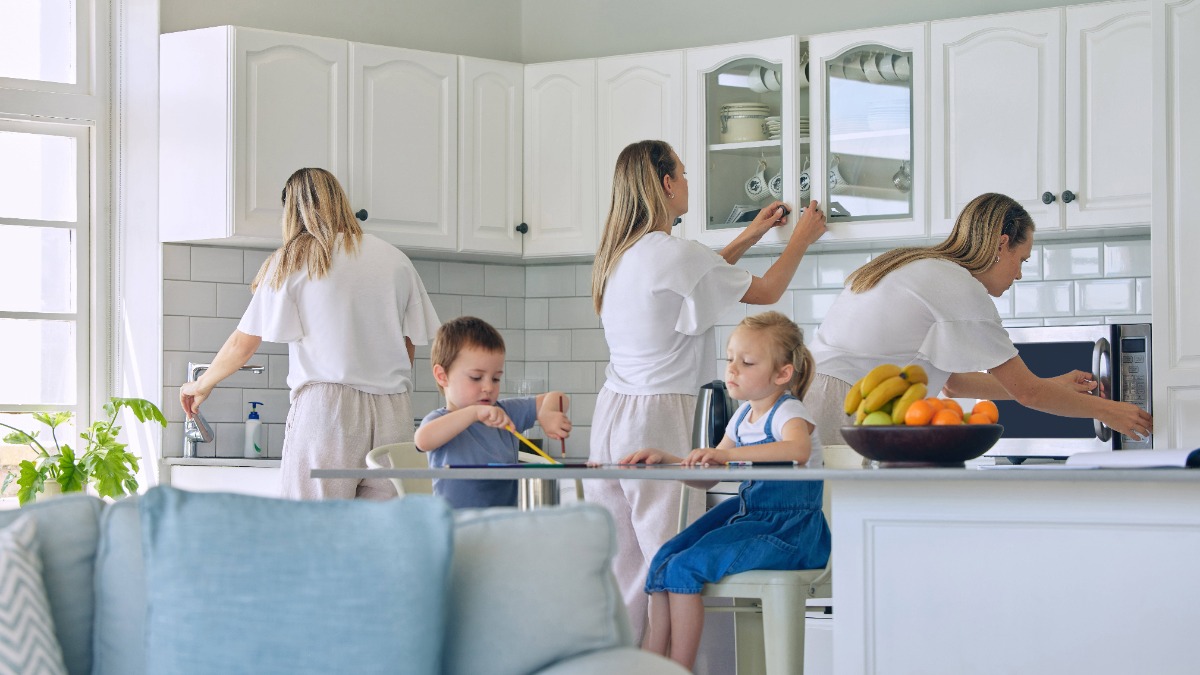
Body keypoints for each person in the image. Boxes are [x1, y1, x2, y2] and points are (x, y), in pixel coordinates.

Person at [588, 139, 827, 642]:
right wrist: (799, 238)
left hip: (611, 413)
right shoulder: (673, 255)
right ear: (668, 184)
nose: (688, 181)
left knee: (624, 567)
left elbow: (705, 272)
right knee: (672, 558)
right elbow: (764, 292)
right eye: (684, 172)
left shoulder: (620, 255)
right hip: (661, 412)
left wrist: (753, 233)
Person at [804, 191, 1154, 445]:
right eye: (1023, 259)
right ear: (1002, 244)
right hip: (839, 401)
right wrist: (1109, 412)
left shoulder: (924, 266)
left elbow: (956, 383)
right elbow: (1028, 393)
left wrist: (1055, 385)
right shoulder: (958, 286)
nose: (1018, 275)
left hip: (813, 393)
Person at [179, 167, 440, 500]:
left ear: (292, 209)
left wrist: (200, 384)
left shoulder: (295, 258)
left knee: (314, 532)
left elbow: (243, 343)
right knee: (382, 536)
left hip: (327, 413)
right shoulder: (396, 260)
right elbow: (407, 345)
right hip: (394, 412)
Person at [620, 311, 831, 670]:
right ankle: (655, 663)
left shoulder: (788, 411)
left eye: (747, 362)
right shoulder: (742, 415)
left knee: (686, 568)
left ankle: (681, 667)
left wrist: (726, 454)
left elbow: (797, 451)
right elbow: (709, 476)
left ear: (782, 374)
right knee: (664, 560)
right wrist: (670, 462)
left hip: (791, 531)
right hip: (751, 516)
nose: (732, 369)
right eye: (730, 358)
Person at [415, 316, 571, 509]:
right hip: (458, 528)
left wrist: (547, 413)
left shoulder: (505, 412)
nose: (488, 387)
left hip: (504, 523)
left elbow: (559, 397)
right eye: (476, 377)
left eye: (496, 379)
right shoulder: (440, 420)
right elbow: (422, 440)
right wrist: (474, 413)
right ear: (442, 376)